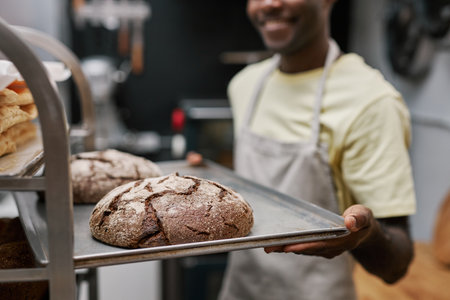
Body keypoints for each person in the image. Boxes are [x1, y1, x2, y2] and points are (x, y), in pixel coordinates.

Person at [189, 0, 416, 299]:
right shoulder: (245, 85)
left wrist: (362, 235)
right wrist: (209, 180)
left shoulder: (371, 103)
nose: (268, 4)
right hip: (241, 289)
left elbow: (396, 264)